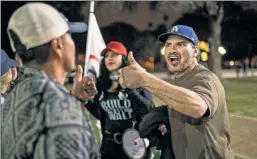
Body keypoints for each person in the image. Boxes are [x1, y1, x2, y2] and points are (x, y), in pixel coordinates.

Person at [118, 25, 234, 159]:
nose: (172, 49)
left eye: (180, 44)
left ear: (195, 51)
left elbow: (198, 107)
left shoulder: (205, 78)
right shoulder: (180, 79)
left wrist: (144, 79)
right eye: (168, 45)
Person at [1, 3, 100, 159]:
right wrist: (67, 105)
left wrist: (73, 99)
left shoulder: (13, 97)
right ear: (58, 44)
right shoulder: (58, 105)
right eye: (69, 35)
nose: (73, 43)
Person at [85, 41, 155, 159]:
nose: (109, 58)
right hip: (109, 145)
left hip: (135, 144)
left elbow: (149, 110)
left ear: (123, 57)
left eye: (114, 55)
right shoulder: (102, 84)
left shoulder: (137, 80)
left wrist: (129, 89)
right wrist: (86, 101)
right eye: (106, 56)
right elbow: (102, 115)